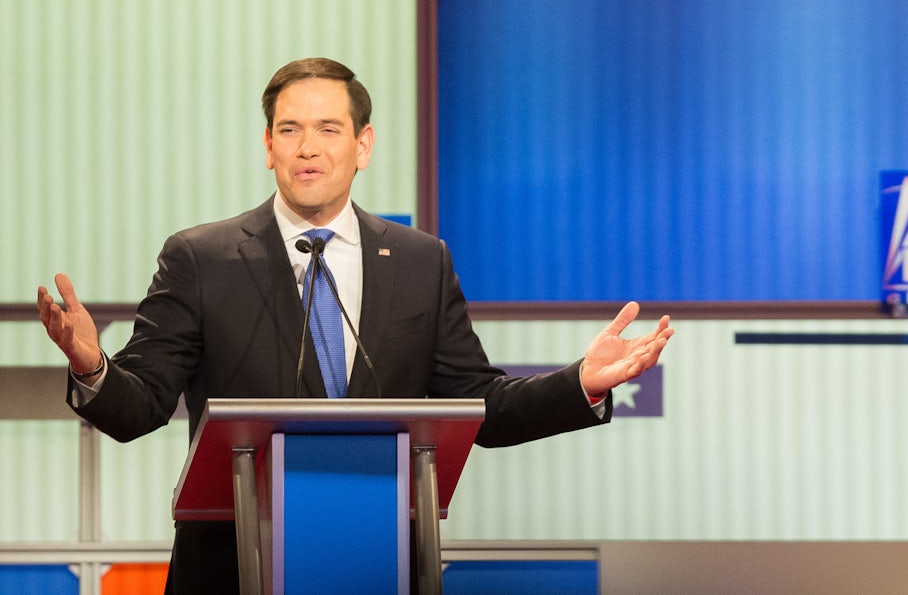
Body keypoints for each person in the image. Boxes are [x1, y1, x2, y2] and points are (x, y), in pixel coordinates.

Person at [36, 57, 674, 592]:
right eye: (289, 129)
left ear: (362, 145)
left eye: (328, 128)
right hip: (234, 566)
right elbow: (140, 405)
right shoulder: (201, 258)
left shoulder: (421, 260)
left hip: (380, 562)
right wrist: (92, 366)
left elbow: (480, 405)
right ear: (268, 146)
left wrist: (580, 383)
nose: (308, 147)